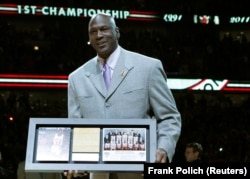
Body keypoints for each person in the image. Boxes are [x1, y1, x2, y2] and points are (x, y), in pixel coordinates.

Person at [66, 13, 182, 179]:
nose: (99, 35)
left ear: (117, 32)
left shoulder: (148, 67)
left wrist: (163, 148)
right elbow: (75, 128)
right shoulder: (76, 78)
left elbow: (169, 117)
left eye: (104, 29)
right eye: (93, 31)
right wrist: (72, 159)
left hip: (138, 171)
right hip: (97, 174)